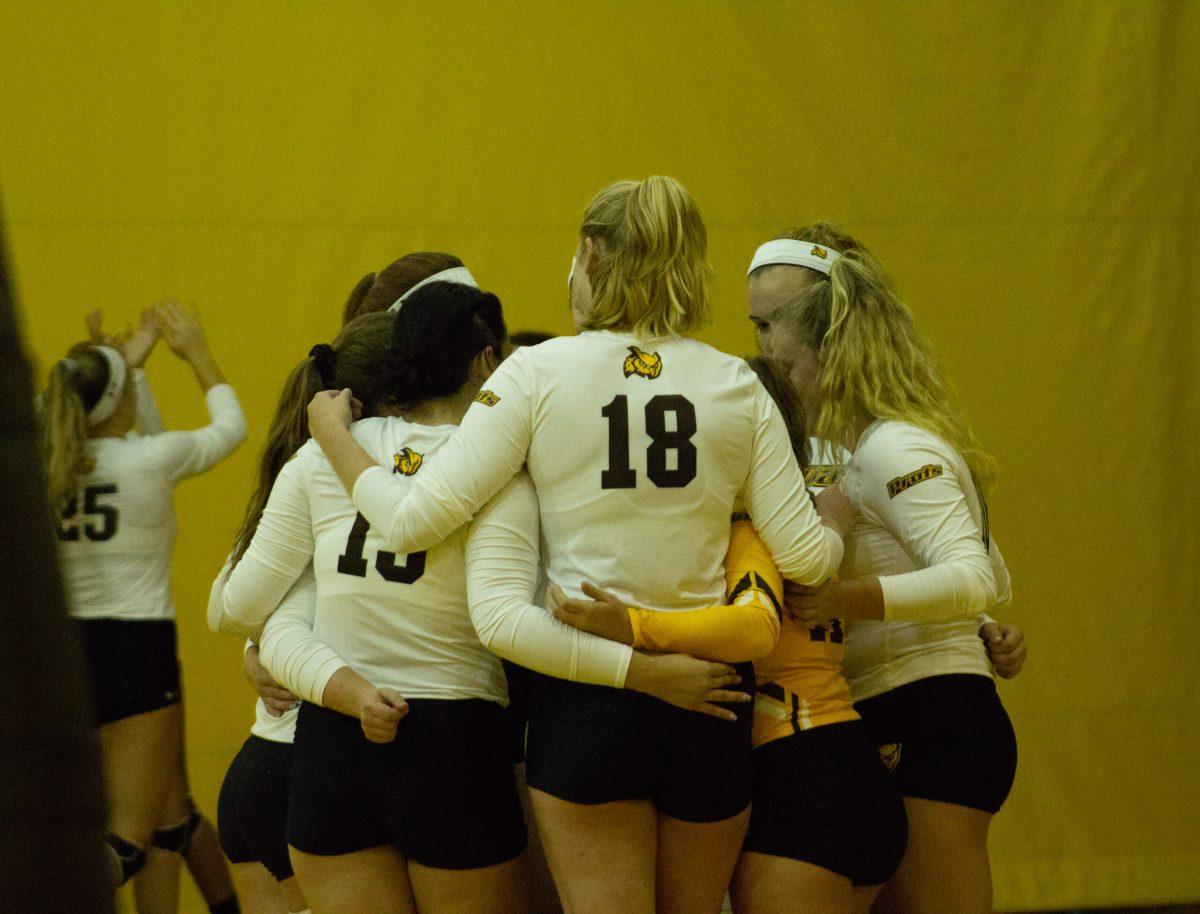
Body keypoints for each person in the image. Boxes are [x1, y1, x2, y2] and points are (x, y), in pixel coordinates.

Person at [306, 177, 854, 914]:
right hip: (712, 696)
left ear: (590, 255)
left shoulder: (537, 372)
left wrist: (335, 439)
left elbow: (409, 524)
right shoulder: (735, 383)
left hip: (588, 707)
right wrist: (838, 516)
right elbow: (811, 561)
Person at [212, 285, 740, 914]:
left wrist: (276, 649)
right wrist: (647, 673)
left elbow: (240, 607)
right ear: (487, 363)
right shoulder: (494, 472)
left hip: (335, 746)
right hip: (451, 745)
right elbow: (504, 623)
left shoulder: (322, 453)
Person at [552, 356, 909, 914]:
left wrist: (634, 626)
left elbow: (754, 626)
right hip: (835, 768)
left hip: (804, 786)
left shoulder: (751, 528)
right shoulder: (801, 524)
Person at [746, 223, 1018, 914]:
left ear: (829, 336)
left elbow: (974, 575)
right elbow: (983, 576)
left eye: (776, 325)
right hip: (897, 708)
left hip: (927, 711)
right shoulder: (855, 441)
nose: (767, 348)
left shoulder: (890, 445)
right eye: (758, 325)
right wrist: (984, 624)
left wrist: (845, 597)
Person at [39, 301, 246, 903]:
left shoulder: (46, 462)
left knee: (170, 813)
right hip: (137, 651)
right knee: (128, 841)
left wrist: (129, 370)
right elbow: (228, 430)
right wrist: (197, 356)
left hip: (66, 653)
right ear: (118, 401)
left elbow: (96, 414)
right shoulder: (149, 461)